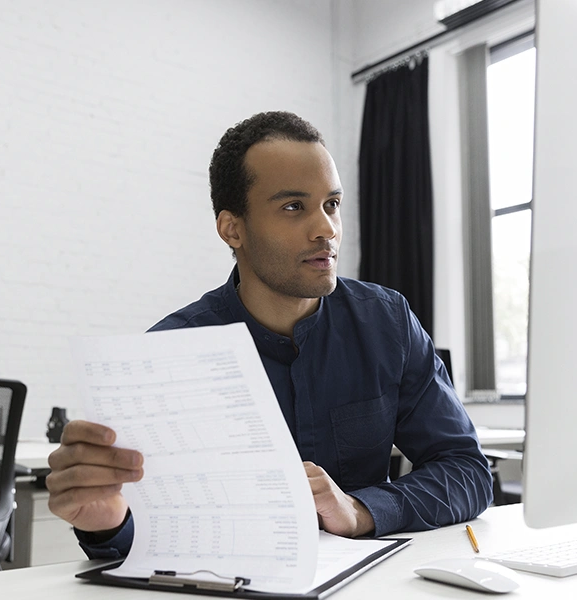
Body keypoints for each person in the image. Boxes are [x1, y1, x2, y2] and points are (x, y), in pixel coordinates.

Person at [46, 111, 493, 559]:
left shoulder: (387, 322)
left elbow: (468, 471)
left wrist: (359, 509)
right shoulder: (168, 354)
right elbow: (152, 535)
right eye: (293, 207)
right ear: (232, 229)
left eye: (331, 204)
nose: (327, 230)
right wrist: (109, 525)